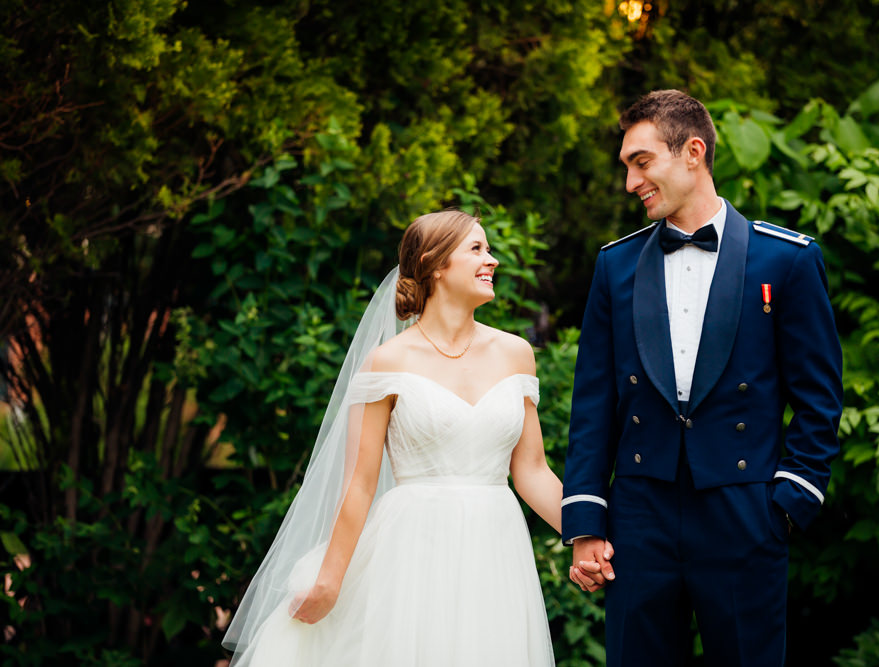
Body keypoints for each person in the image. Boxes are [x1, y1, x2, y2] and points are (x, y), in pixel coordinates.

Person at [562, 90, 844, 666]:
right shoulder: (614, 265)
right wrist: (587, 523)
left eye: (641, 162)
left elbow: (819, 399)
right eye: (626, 167)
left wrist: (788, 504)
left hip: (746, 514)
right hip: (640, 517)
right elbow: (593, 403)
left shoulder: (786, 260)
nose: (630, 182)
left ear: (693, 152)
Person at [223, 210, 568, 666]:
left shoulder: (516, 354)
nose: (494, 261)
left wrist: (592, 533)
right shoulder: (388, 362)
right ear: (436, 264)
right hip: (412, 554)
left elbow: (532, 471)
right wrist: (329, 578)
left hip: (495, 550)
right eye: (477, 249)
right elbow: (359, 483)